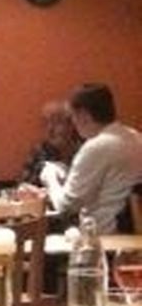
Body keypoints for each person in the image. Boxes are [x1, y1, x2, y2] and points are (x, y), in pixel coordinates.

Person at [37, 83, 142, 233]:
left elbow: (65, 206)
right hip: (134, 234)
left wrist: (50, 177)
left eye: (72, 116)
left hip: (107, 237)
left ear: (83, 115)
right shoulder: (136, 137)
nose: (73, 123)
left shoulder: (96, 146)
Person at [20, 100, 82, 186]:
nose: (50, 129)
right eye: (45, 123)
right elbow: (25, 185)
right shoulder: (40, 151)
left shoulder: (85, 150)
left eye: (56, 122)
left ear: (71, 125)